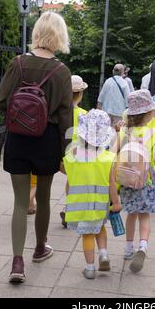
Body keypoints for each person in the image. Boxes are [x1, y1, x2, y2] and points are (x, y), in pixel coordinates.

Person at [0, 12, 73, 283]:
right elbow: (66, 117)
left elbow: (1, 101)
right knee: (43, 198)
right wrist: (68, 149)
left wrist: (21, 118)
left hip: (18, 139)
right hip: (48, 140)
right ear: (60, 35)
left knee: (19, 202)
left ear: (37, 32)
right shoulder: (62, 72)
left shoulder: (16, 64)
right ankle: (40, 249)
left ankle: (17, 263)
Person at [63, 109, 121, 279]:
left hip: (80, 204)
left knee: (87, 234)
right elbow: (112, 183)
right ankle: (103, 254)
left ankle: (89, 268)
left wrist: (69, 200)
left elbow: (69, 181)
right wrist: (115, 202)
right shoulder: (108, 157)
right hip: (100, 203)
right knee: (100, 227)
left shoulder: (73, 155)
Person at [119, 89, 155, 273]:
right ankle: (142, 246)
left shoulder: (125, 131)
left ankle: (129, 248)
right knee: (144, 215)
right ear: (148, 113)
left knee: (131, 213)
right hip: (147, 178)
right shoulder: (153, 131)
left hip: (127, 176)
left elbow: (117, 153)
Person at [59, 75, 89, 228]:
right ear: (81, 94)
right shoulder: (84, 114)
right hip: (81, 154)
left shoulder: (61, 112)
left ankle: (68, 207)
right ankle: (71, 209)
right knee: (78, 182)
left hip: (66, 153)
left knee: (71, 180)